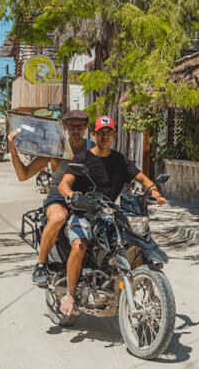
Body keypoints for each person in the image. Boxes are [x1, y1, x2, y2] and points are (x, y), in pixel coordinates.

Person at [56, 115, 165, 316]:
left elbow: (141, 177)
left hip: (108, 214)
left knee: (132, 242)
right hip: (83, 213)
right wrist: (72, 196)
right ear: (94, 134)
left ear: (114, 135)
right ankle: (71, 295)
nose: (105, 136)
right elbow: (64, 183)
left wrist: (154, 191)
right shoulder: (83, 159)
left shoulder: (119, 160)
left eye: (109, 132)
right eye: (101, 132)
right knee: (79, 245)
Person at [8, 109, 91, 286]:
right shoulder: (54, 149)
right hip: (59, 199)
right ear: (65, 127)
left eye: (80, 126)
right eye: (71, 126)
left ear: (86, 127)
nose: (75, 130)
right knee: (58, 218)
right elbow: (24, 175)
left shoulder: (94, 148)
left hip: (87, 201)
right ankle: (40, 264)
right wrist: (13, 150)